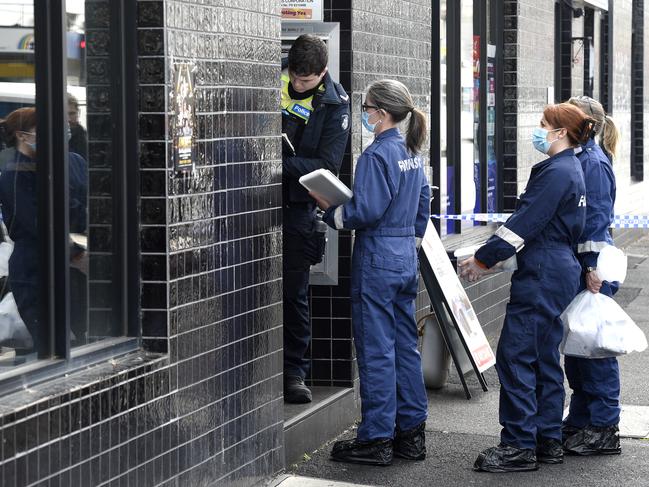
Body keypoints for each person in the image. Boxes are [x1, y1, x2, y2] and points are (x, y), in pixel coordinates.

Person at [458, 103, 594, 472]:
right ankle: (546, 437)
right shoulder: (574, 169)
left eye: (543, 126)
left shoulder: (556, 172)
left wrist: (485, 259)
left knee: (516, 355)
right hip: (557, 269)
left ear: (560, 132)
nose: (538, 132)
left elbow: (525, 223)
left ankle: (518, 444)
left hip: (543, 272)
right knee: (544, 356)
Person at [311, 79, 430, 466]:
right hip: (404, 256)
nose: (363, 113)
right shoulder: (411, 150)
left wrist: (329, 210)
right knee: (404, 346)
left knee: (376, 350)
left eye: (366, 107)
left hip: (377, 255)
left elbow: (365, 211)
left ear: (380, 112)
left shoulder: (377, 154)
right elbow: (423, 201)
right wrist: (408, 240)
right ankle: (411, 434)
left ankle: (377, 438)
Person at [281, 34, 350, 403]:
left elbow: (327, 164)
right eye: (294, 76)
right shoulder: (275, 80)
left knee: (294, 294)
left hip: (298, 210)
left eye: (305, 81)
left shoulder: (335, 103)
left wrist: (280, 165)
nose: (297, 84)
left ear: (322, 73)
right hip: (257, 203)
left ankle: (294, 372)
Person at [0, 107, 88, 357]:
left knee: (83, 342)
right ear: (23, 136)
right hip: (37, 270)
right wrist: (76, 256)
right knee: (51, 347)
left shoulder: (73, 163)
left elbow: (84, 209)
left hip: (75, 266)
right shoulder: (15, 175)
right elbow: (37, 224)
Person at [562, 95, 622, 456]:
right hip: (583, 267)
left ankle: (603, 428)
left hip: (593, 269)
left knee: (596, 351)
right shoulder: (583, 158)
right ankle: (583, 419)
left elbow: (595, 223)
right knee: (579, 348)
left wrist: (591, 269)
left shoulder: (594, 164)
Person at [68, 94, 88, 160]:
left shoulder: (85, 137)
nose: (68, 119)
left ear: (78, 112)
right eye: (63, 114)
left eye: (72, 113)